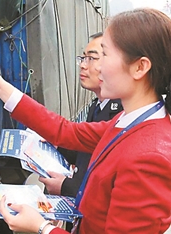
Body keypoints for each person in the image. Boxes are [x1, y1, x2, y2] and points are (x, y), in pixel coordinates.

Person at [0, 7, 171, 234]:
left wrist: (42, 229)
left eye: (104, 55)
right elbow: (64, 131)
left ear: (140, 67)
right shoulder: (129, 121)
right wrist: (1, 88)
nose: (95, 68)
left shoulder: (149, 157)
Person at [39, 32, 123, 198]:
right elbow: (86, 152)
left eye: (91, 58)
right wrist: (57, 145)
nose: (83, 65)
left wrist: (65, 187)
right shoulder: (97, 106)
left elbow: (104, 184)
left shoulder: (120, 114)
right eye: (83, 58)